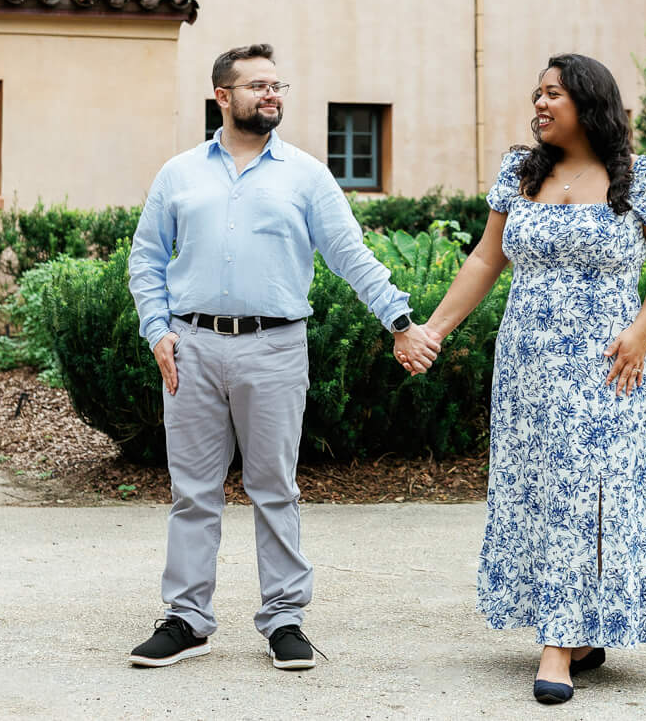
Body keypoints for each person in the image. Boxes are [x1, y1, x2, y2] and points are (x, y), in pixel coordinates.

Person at [124, 42, 442, 671]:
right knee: (192, 492)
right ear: (223, 96)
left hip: (274, 348)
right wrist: (156, 328)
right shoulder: (179, 174)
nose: (271, 95)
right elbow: (147, 259)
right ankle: (187, 619)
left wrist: (401, 323)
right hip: (191, 347)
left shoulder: (305, 174)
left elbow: (352, 256)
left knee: (274, 487)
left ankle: (285, 620)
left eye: (277, 86)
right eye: (257, 86)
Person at [418, 53, 646, 705]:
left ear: (589, 102)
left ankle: (559, 642)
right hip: (528, 367)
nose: (539, 104)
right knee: (540, 488)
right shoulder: (520, 172)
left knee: (591, 495)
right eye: (536, 94)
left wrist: (641, 329)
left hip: (608, 365)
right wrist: (435, 329)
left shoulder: (643, 177)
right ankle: (577, 629)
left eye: (553, 94)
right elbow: (487, 257)